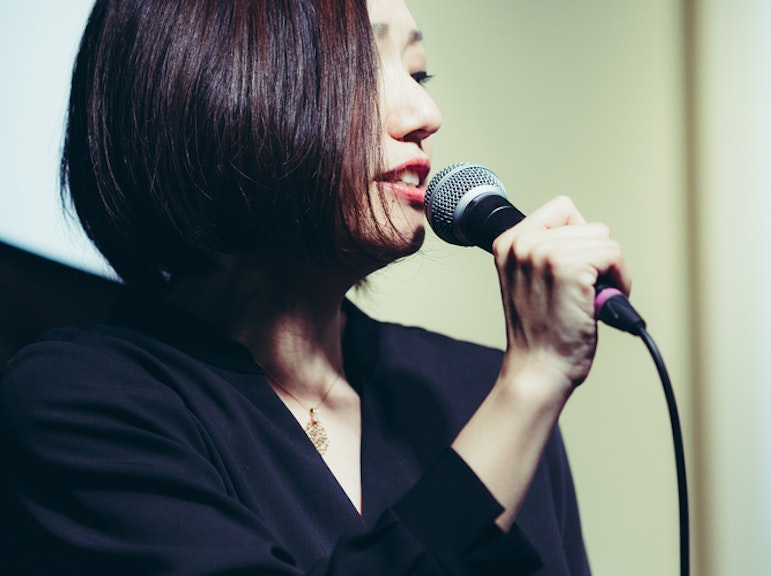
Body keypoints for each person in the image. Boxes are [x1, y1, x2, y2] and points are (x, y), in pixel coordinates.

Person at [0, 0, 630, 574]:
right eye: (360, 66)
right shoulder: (80, 402)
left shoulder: (471, 387)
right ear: (213, 87)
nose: (425, 114)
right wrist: (528, 388)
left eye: (419, 73)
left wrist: (523, 389)